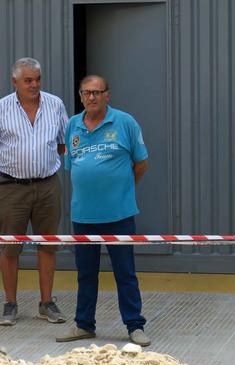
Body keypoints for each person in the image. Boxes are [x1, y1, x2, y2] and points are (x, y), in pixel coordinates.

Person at [55, 75, 150, 346]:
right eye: (87, 93)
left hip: (119, 214)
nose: (92, 97)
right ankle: (84, 324)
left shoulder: (125, 122)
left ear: (107, 95)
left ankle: (135, 326)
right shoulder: (72, 125)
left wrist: (122, 189)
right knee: (85, 274)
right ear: (80, 96)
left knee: (125, 273)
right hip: (83, 215)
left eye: (97, 92)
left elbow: (141, 164)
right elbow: (73, 167)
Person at [0, 57, 68, 326]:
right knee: (10, 247)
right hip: (12, 187)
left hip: (47, 185)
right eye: (28, 80)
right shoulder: (0, 109)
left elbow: (63, 143)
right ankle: (10, 303)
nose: (34, 85)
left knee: (48, 245)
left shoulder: (55, 105)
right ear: (14, 82)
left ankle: (46, 302)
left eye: (37, 79)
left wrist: (41, 160)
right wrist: (13, 160)